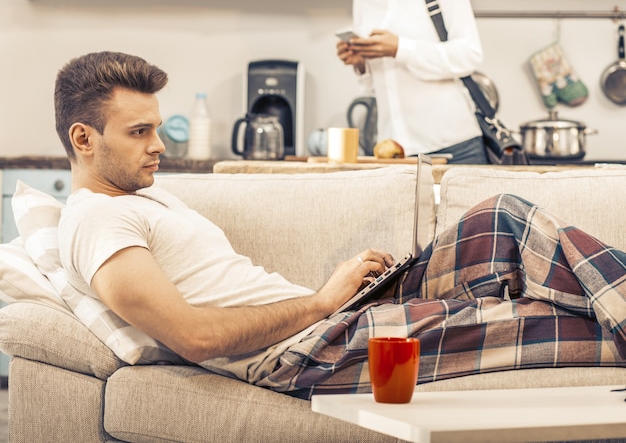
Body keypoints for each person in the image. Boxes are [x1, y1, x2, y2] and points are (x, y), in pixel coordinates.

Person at [55, 51, 626, 400]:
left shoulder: (142, 198)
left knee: (501, 217)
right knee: (538, 319)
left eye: (155, 127)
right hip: (307, 349)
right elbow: (195, 337)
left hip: (335, 319)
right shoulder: (96, 223)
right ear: (84, 139)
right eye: (138, 132)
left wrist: (343, 297)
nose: (159, 145)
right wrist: (321, 302)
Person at [337, 0, 488, 164]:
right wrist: (361, 62)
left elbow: (469, 55)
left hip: (455, 146)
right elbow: (375, 86)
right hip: (395, 150)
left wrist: (399, 48)